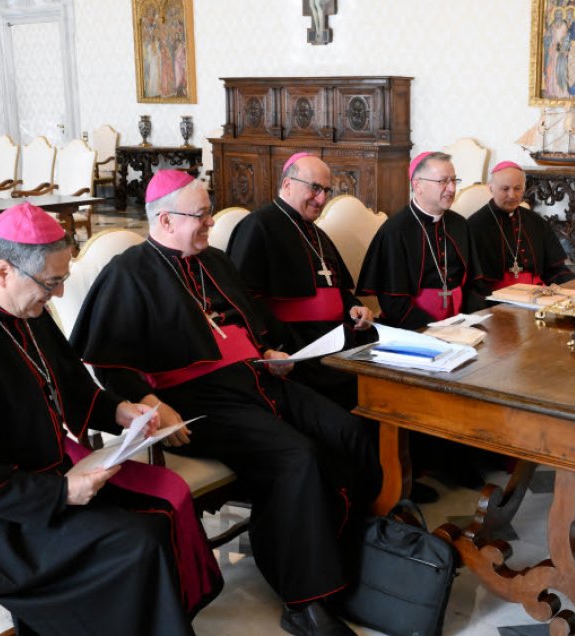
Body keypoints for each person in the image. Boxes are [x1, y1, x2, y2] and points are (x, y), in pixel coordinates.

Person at [0, 202, 221, 635]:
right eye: (51, 282)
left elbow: (69, 386)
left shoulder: (24, 310)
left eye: (62, 280)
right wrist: (60, 494)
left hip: (49, 478)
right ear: (3, 271)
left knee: (159, 516)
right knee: (135, 544)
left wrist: (116, 410)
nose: (58, 294)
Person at [70, 169, 379, 636]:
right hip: (193, 402)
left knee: (352, 432)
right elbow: (108, 365)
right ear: (167, 220)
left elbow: (253, 326)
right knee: (296, 456)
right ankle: (305, 600)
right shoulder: (128, 273)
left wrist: (271, 352)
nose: (210, 224)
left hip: (257, 381)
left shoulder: (214, 260)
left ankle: (350, 564)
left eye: (209, 214)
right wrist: (150, 400)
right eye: (202, 215)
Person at [227, 152, 375, 409]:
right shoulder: (257, 226)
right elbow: (244, 300)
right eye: (315, 188)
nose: (322, 199)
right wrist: (283, 341)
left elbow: (338, 288)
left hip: (337, 338)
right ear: (287, 184)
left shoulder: (317, 233)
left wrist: (354, 307)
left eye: (327, 190)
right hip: (298, 347)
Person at [357, 151, 485, 329]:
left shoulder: (459, 225)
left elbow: (473, 284)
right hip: (415, 330)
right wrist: (434, 329)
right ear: (418, 186)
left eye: (454, 180)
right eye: (443, 181)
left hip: (461, 325)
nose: (452, 188)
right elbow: (394, 303)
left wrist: (467, 320)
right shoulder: (395, 231)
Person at [468, 161, 575, 293]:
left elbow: (555, 269)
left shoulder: (536, 221)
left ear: (524, 189)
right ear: (491, 188)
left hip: (537, 294)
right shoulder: (475, 226)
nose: (512, 195)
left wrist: (573, 288)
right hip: (497, 299)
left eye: (517, 188)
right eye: (505, 189)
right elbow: (473, 283)